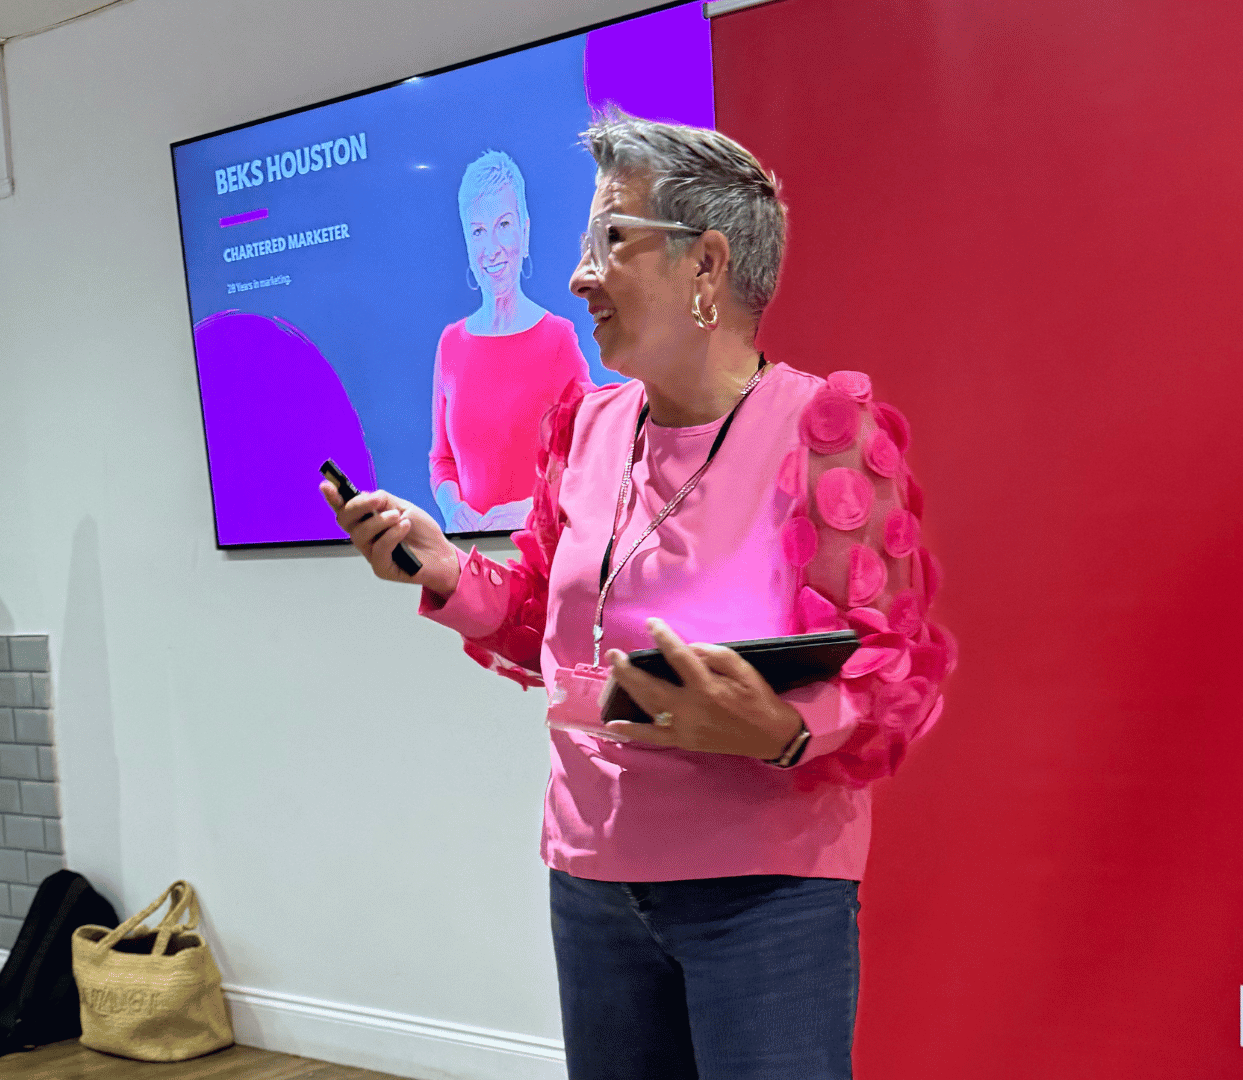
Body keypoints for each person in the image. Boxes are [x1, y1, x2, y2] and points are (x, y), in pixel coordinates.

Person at [325, 113, 950, 1080]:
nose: (580, 276)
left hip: (762, 894)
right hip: (592, 883)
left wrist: (781, 729)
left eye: (611, 240)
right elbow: (545, 622)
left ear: (708, 264)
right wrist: (444, 570)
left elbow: (892, 670)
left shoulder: (823, 430)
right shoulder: (585, 427)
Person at [430, 150, 593, 533]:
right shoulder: (450, 343)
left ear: (525, 231)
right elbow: (442, 461)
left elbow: (591, 457)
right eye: (477, 231)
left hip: (537, 555)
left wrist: (534, 509)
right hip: (468, 558)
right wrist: (453, 511)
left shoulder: (558, 339)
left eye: (503, 224)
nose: (491, 247)